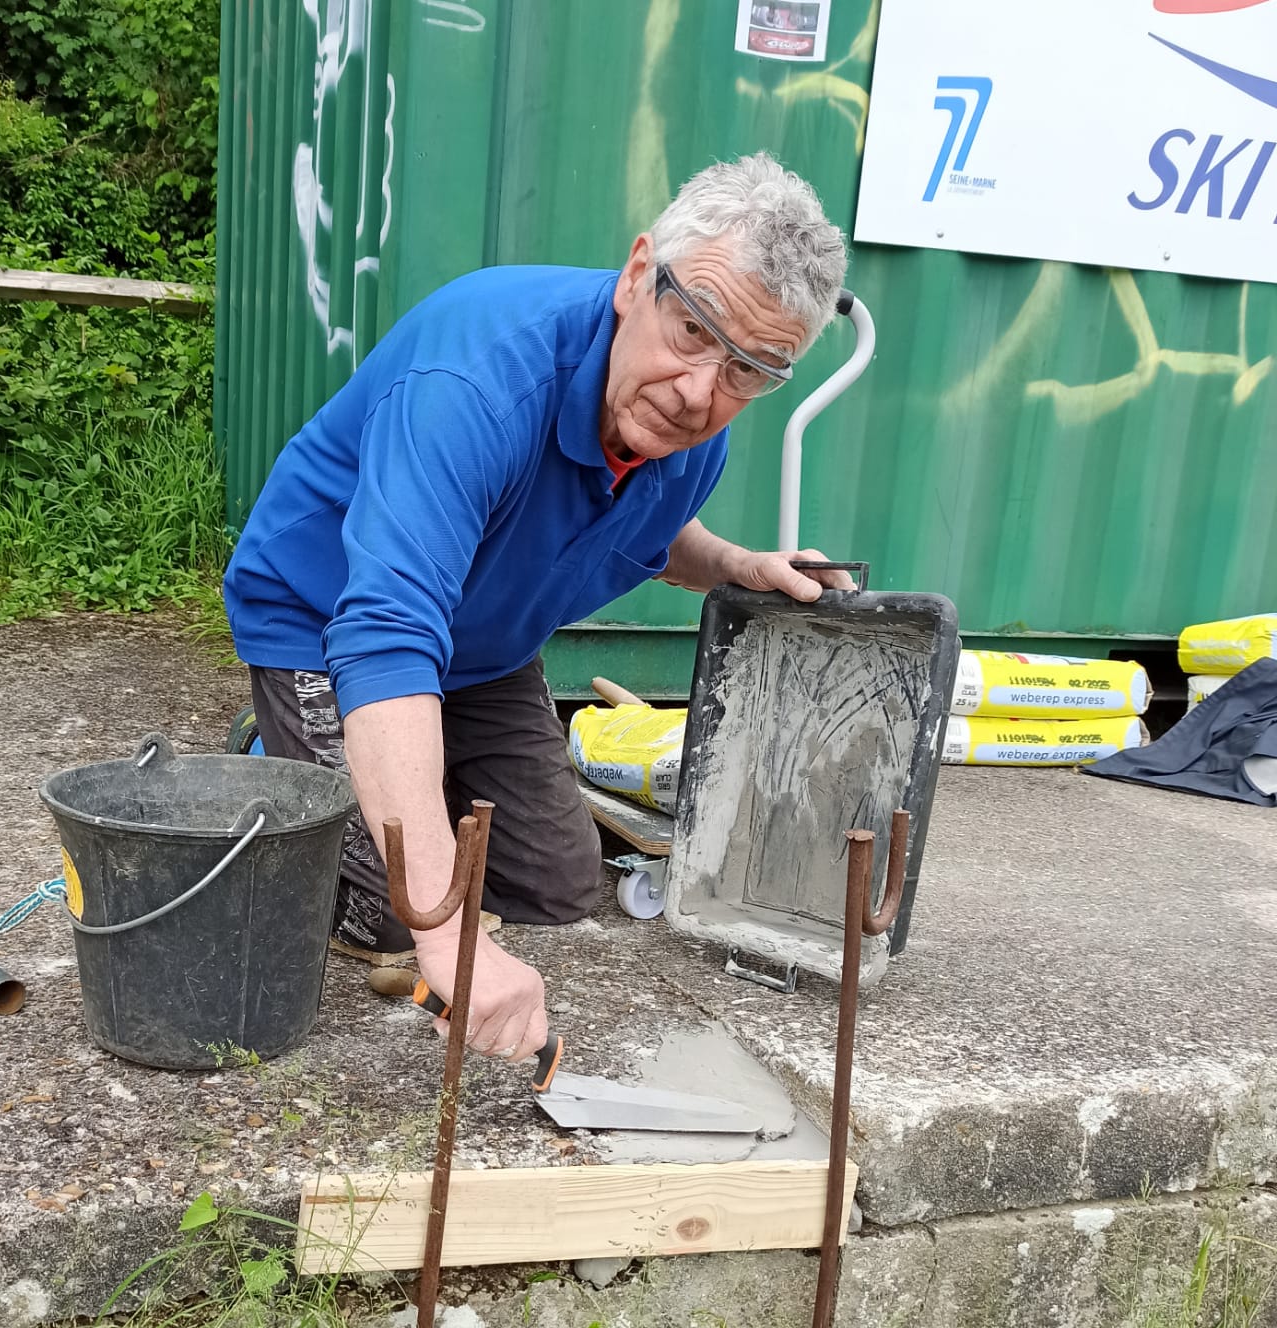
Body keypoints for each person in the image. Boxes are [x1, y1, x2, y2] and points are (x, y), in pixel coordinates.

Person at [223, 152, 851, 1066]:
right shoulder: (475, 384)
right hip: (327, 625)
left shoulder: (690, 434)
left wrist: (734, 565)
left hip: (483, 644)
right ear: (639, 277)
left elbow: (654, 520)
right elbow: (386, 633)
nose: (698, 394)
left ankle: (389, 767)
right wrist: (448, 934)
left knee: (560, 888)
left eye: (749, 371)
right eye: (691, 330)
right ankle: (279, 751)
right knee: (391, 920)